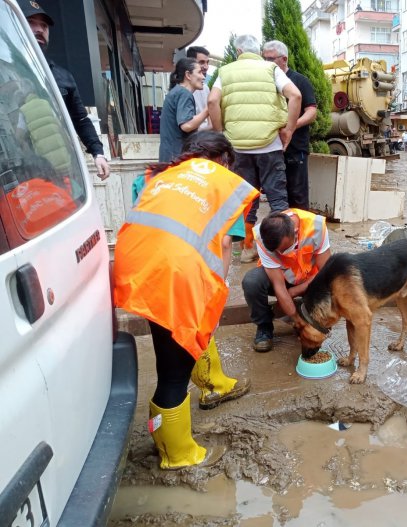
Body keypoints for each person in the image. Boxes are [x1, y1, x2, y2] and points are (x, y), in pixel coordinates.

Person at [113, 131, 259, 470]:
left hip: (139, 265)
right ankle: (177, 454)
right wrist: (215, 293)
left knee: (174, 340)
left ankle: (213, 386)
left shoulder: (160, 175)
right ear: (223, 160)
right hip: (176, 276)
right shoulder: (223, 184)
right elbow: (225, 247)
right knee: (173, 373)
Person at [208, 34, 302, 263]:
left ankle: (248, 248)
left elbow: (212, 102)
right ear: (257, 52)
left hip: (238, 147)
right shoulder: (270, 69)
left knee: (245, 200)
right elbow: (295, 95)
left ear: (238, 52)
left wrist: (220, 133)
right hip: (269, 145)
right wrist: (288, 129)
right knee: (278, 200)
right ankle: (285, 250)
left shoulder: (225, 71)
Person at [20, 0, 110, 179]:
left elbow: (81, 119)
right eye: (31, 22)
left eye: (44, 25)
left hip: (63, 172)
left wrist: (98, 153)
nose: (39, 29)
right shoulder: (6, 71)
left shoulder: (63, 76)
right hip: (20, 174)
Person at [242, 209, 331, 352]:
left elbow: (326, 272)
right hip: (281, 278)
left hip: (311, 280)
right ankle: (264, 327)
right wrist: (298, 322)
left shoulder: (316, 227)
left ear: (295, 233)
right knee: (252, 282)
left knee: (330, 284)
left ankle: (313, 319)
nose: (280, 254)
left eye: (283, 249)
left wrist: (296, 291)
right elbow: (279, 287)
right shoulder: (262, 236)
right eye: (276, 251)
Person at [262, 40, 317, 210]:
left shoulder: (300, 81)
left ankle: (300, 234)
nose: (266, 64)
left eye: (270, 59)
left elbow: (312, 112)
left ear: (284, 59)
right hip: (271, 149)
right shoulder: (264, 82)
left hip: (295, 149)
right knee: (277, 197)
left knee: (297, 197)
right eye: (264, 59)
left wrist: (291, 127)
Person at [158, 58, 209, 163]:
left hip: (169, 157)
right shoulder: (184, 94)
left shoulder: (176, 92)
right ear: (188, 75)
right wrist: (208, 109)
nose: (203, 77)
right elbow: (187, 125)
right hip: (176, 159)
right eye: (199, 72)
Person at [186, 46, 211, 131]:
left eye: (207, 62)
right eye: (201, 62)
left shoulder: (205, 88)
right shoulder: (182, 91)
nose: (206, 67)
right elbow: (187, 126)